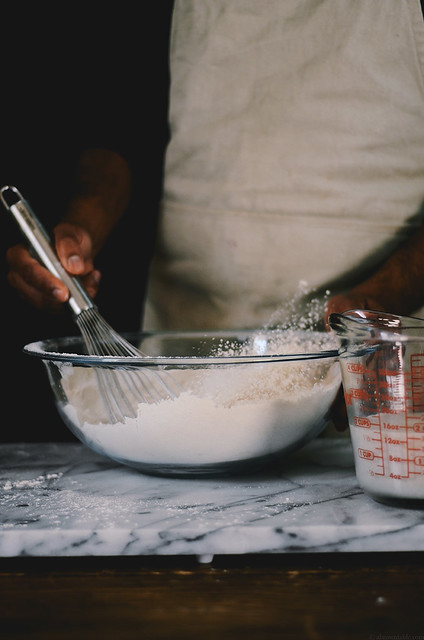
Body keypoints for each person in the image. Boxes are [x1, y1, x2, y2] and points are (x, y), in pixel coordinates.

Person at [6, 1, 424, 359]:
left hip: (379, 350)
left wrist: (383, 298)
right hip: (187, 334)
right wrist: (84, 224)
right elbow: (121, 122)